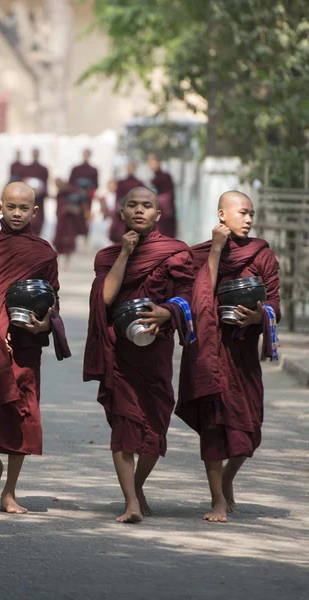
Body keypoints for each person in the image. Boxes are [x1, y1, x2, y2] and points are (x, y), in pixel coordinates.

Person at [84, 186, 195, 523]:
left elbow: (189, 295)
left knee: (157, 426)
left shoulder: (175, 252)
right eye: (132, 205)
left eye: (147, 205)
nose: (139, 210)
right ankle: (131, 501)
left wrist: (167, 312)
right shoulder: (107, 256)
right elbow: (105, 298)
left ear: (158, 214)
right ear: (121, 213)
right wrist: (124, 254)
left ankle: (138, 485)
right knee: (124, 426)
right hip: (121, 353)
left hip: (155, 351)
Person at [0, 182, 70, 514]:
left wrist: (46, 323)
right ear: (0, 208)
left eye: (24, 209)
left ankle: (10, 491)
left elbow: (53, 299)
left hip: (24, 344)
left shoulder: (43, 252)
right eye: (11, 207)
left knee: (24, 413)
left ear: (35, 211)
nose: (17, 214)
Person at [176, 190, 281, 523]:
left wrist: (258, 317)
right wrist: (218, 249)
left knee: (251, 429)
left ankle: (228, 477)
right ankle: (217, 500)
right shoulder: (205, 252)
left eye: (252, 214)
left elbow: (275, 302)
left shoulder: (262, 255)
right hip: (211, 348)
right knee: (214, 425)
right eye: (242, 213)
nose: (249, 219)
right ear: (222, 215)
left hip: (244, 352)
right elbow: (196, 295)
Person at [109, 162, 144, 243]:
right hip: (121, 211)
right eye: (129, 167)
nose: (130, 169)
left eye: (132, 167)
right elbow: (118, 197)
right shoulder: (121, 182)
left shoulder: (139, 183)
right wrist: (118, 208)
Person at [68, 149, 99, 239]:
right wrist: (76, 191)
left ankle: (85, 237)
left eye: (87, 154)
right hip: (76, 198)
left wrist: (88, 192)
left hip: (87, 199)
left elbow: (96, 185)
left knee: (85, 218)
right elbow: (70, 182)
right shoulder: (75, 168)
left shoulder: (93, 170)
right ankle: (72, 237)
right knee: (75, 217)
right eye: (84, 154)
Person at [52, 178, 79, 271]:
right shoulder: (59, 195)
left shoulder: (72, 194)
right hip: (60, 221)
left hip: (69, 223)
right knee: (58, 243)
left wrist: (70, 209)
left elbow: (77, 208)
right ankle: (56, 262)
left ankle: (67, 264)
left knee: (68, 244)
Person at [148, 154, 177, 238]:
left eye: (153, 163)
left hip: (165, 214)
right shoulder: (153, 179)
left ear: (158, 162)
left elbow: (169, 195)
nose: (151, 166)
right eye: (150, 163)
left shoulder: (165, 177)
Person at [22, 149, 49, 236]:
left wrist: (42, 191)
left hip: (39, 197)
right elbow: (23, 180)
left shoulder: (43, 169)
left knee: (39, 216)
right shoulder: (27, 168)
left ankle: (37, 235)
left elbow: (45, 182)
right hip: (28, 197)